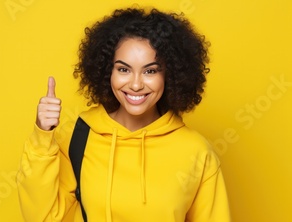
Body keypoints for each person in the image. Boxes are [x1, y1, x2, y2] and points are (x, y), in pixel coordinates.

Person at [17, 7, 231, 222]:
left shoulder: (197, 152)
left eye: (150, 71)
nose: (136, 84)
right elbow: (41, 218)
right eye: (123, 69)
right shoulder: (78, 138)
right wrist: (42, 136)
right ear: (107, 72)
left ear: (170, 75)